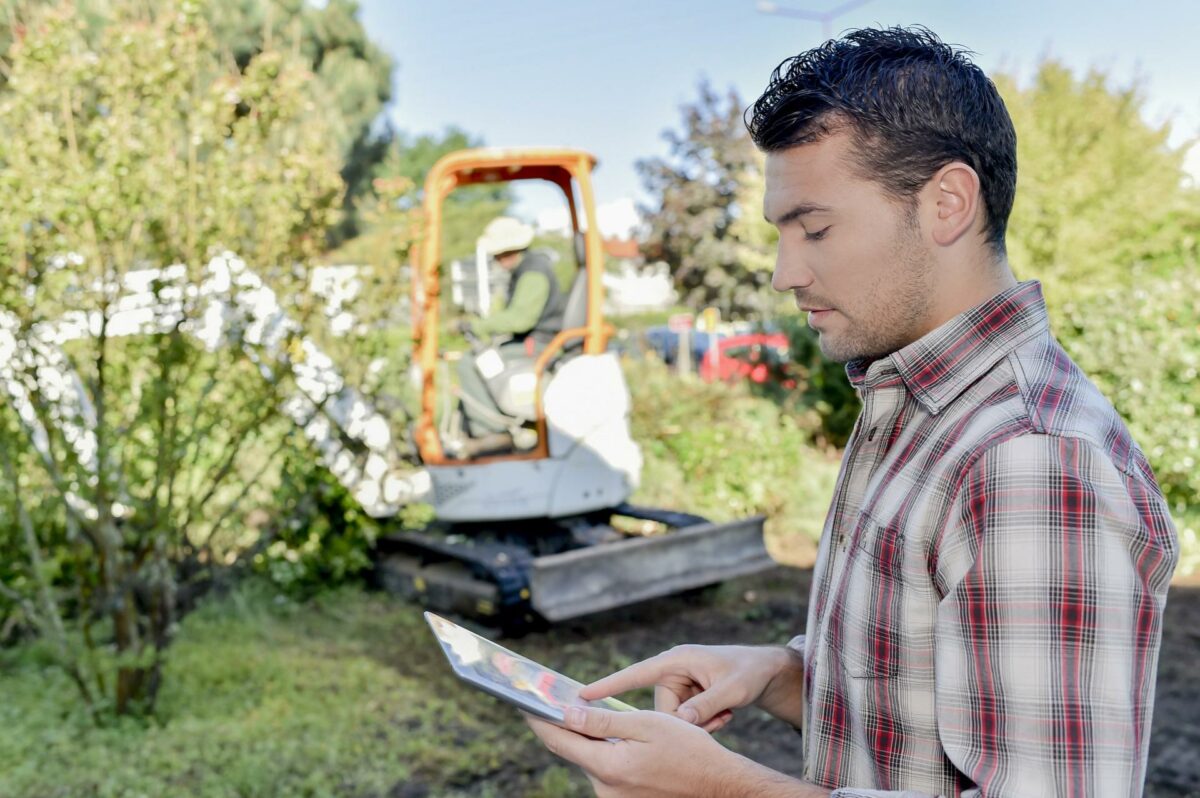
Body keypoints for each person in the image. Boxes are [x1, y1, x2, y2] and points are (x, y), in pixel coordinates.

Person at [523, 26, 1179, 797]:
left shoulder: (1030, 458)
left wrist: (722, 789)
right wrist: (780, 671)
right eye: (782, 234)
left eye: (816, 229)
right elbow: (925, 723)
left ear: (947, 203)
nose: (783, 272)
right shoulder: (914, 405)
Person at [455, 216, 575, 444]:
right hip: (534, 341)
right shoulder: (525, 270)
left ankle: (491, 434)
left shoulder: (533, 272)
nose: (496, 260)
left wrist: (478, 326)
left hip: (538, 345)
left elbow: (521, 319)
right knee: (482, 357)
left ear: (508, 251)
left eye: (498, 254)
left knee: (470, 364)